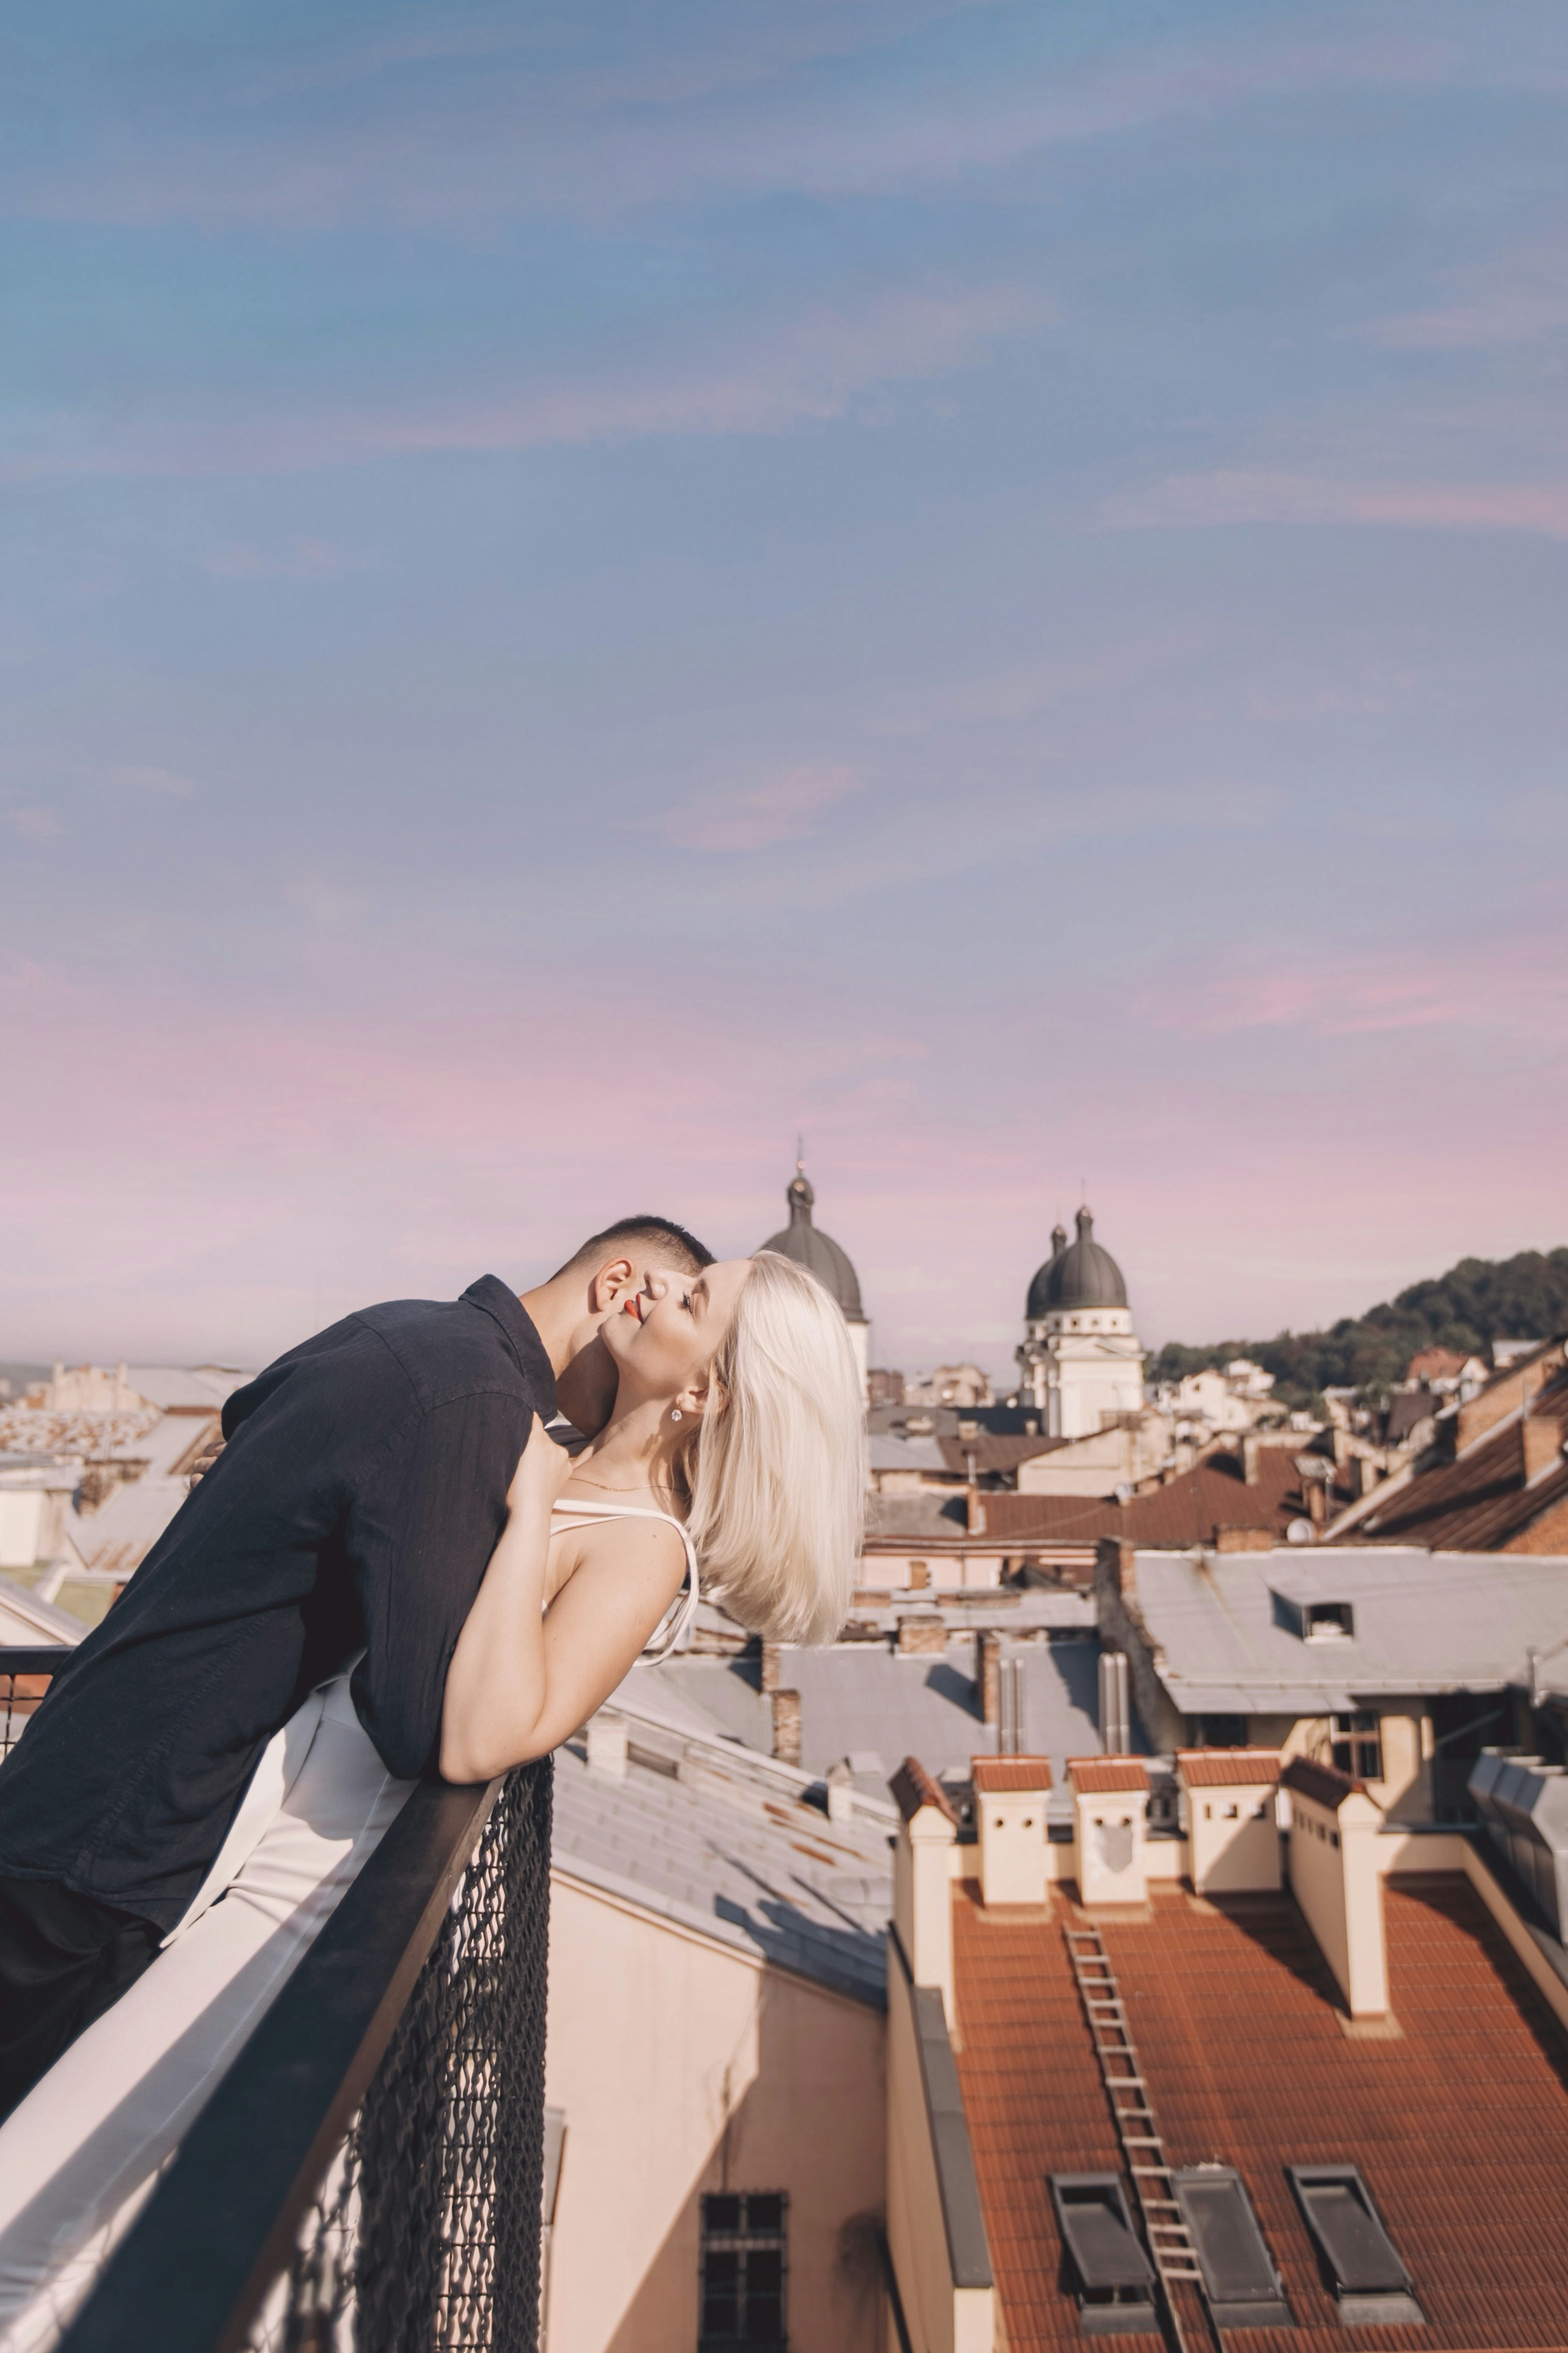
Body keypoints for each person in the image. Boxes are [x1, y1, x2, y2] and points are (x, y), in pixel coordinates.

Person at [0, 1246, 864, 2350]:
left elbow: (485, 1731)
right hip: (254, 1833)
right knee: (70, 2218)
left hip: (301, 1889)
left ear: (704, 1393)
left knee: (36, 2212)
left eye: (692, 1300)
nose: (653, 1287)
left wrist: (527, 1508)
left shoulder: (646, 1547)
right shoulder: (570, 1465)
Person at [0, 1215, 714, 2117]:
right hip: (124, 1837)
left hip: (70, 1766)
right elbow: (419, 1721)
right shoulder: (482, 1406)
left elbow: (243, 1415)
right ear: (617, 1290)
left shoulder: (402, 1328)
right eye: (611, 1393)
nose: (597, 1422)